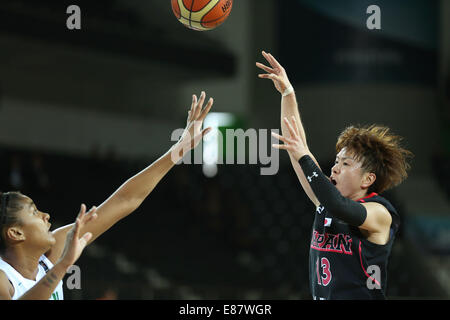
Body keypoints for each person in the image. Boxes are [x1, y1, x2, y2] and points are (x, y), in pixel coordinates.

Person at [0, 92, 214, 300]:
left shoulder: (53, 251)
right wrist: (63, 265)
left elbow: (125, 200)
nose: (46, 215)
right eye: (34, 212)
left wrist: (178, 150)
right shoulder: (3, 278)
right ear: (15, 233)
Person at [257, 51, 412, 300]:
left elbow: (338, 205)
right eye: (337, 161)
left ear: (367, 179)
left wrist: (305, 157)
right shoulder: (325, 201)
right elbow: (297, 144)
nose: (335, 168)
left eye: (346, 163)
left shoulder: (379, 214)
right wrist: (288, 94)